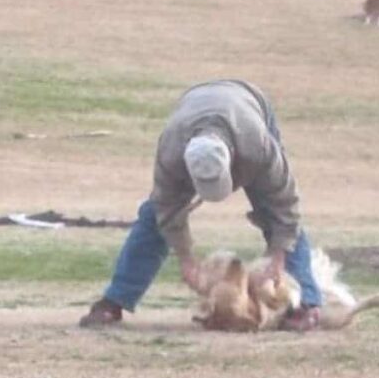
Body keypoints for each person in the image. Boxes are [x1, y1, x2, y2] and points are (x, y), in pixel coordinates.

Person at [79, 80, 324, 332]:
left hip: (249, 105)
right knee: (153, 215)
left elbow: (286, 205)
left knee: (274, 213)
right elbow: (167, 211)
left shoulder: (257, 146)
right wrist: (186, 259)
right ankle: (114, 301)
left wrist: (277, 256)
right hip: (193, 106)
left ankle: (307, 304)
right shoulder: (172, 152)